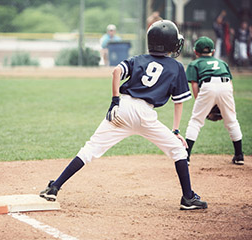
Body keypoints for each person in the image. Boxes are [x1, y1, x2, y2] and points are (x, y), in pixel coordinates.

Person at [40, 20, 208, 210]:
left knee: (91, 148)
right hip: (145, 114)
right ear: (170, 44)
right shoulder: (176, 67)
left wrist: (115, 100)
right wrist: (176, 130)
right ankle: (188, 198)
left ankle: (54, 187)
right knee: (178, 150)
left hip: (123, 108)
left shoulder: (138, 59)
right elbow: (179, 101)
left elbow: (116, 71)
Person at [185, 36, 244, 166]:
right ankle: (239, 155)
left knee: (196, 120)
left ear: (196, 52)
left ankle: (186, 156)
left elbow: (194, 84)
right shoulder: (222, 63)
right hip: (226, 86)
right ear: (213, 51)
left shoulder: (195, 63)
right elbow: (230, 84)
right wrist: (225, 103)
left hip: (208, 86)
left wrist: (199, 102)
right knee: (232, 120)